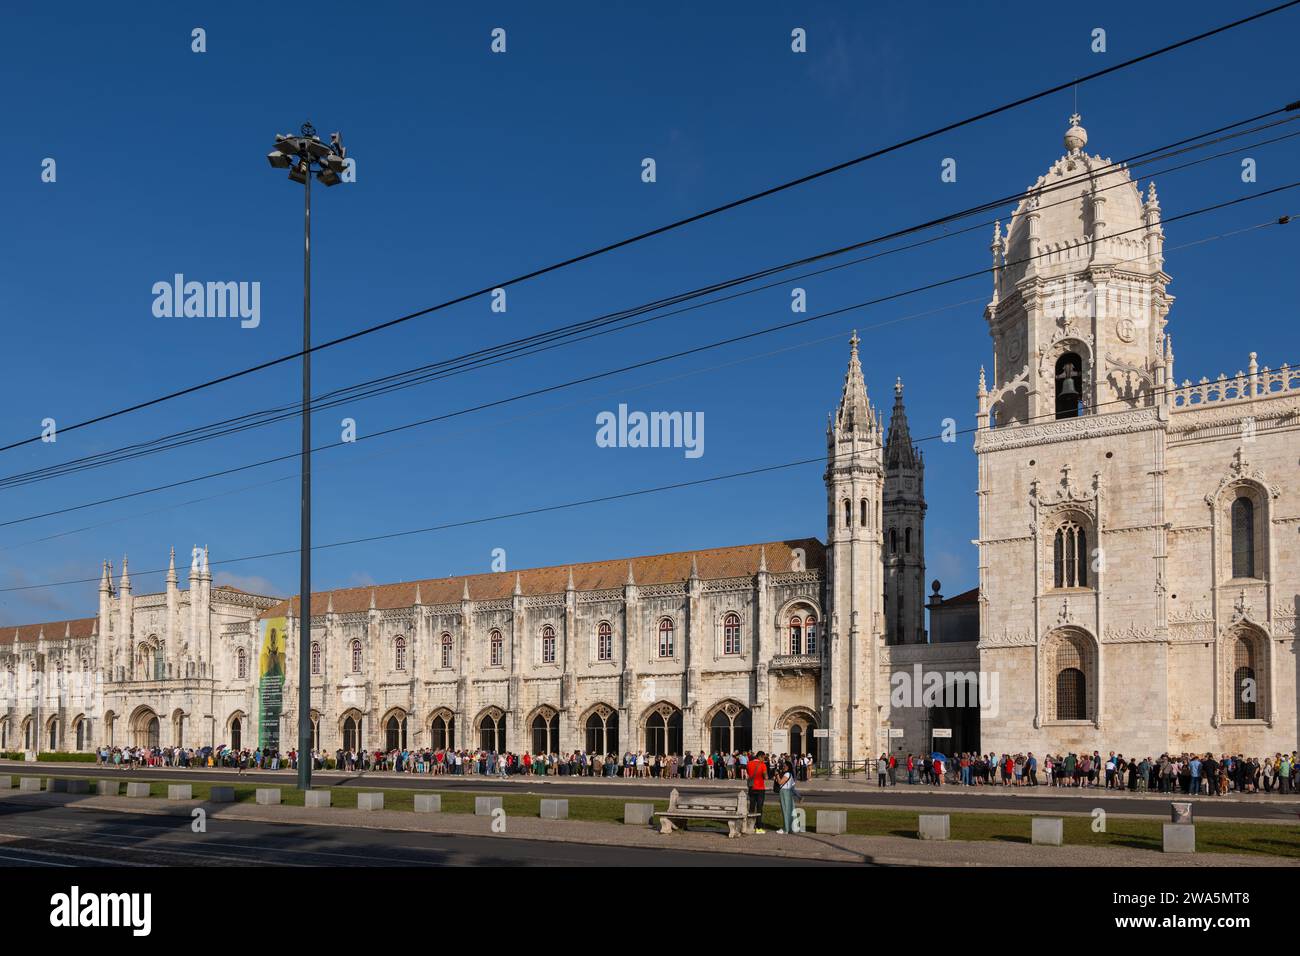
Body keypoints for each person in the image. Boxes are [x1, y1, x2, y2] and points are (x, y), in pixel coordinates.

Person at [747, 751, 768, 834]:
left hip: (752, 788)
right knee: (759, 808)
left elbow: (749, 773)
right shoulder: (762, 765)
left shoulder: (749, 763)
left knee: (751, 807)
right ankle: (758, 827)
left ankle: (750, 825)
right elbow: (766, 777)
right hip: (760, 788)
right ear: (760, 756)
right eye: (763, 757)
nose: (764, 759)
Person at [776, 759, 797, 834]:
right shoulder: (790, 775)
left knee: (785, 810)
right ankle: (791, 827)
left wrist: (777, 775)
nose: (783, 767)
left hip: (784, 792)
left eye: (784, 765)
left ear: (787, 767)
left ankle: (786, 828)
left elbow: (780, 782)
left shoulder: (786, 774)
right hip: (788, 793)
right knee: (790, 810)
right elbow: (793, 786)